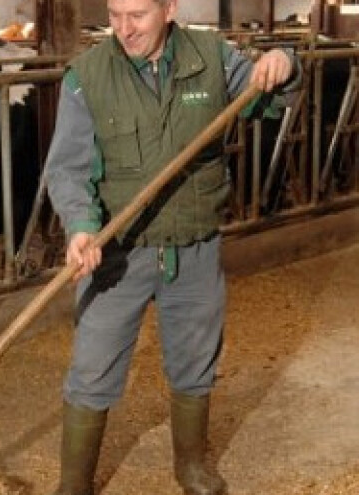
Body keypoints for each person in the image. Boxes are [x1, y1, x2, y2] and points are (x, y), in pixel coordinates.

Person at [43, 1, 300, 494]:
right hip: (118, 248)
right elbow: (67, 167)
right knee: (93, 363)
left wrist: (284, 62)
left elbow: (271, 97)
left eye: (137, 15)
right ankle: (72, 485)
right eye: (115, 14)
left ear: (169, 8)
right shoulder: (86, 77)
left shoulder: (212, 57)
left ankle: (192, 467)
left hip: (193, 246)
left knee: (195, 358)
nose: (124, 29)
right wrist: (80, 227)